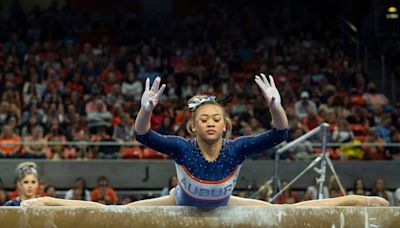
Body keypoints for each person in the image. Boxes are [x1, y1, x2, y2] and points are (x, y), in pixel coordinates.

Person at [22, 75, 389, 207]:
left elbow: (280, 133)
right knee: (115, 214)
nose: (210, 123)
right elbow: (142, 134)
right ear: (192, 128)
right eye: (203, 120)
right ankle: (39, 202)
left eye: (216, 119)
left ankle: (358, 199)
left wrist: (276, 106)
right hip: (178, 203)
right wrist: (146, 109)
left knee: (286, 213)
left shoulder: (236, 148)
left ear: (226, 126)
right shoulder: (182, 148)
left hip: (226, 206)